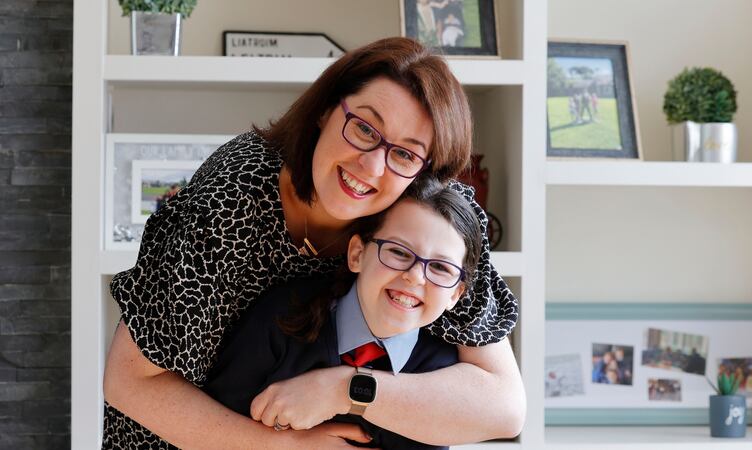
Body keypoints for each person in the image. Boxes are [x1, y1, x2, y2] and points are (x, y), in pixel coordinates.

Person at [103, 37, 524, 448]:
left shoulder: (426, 216)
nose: (373, 165)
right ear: (326, 110)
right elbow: (129, 382)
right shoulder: (229, 202)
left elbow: (503, 406)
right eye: (363, 128)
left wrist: (347, 389)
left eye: (405, 154)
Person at [204, 181, 482, 449]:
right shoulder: (282, 316)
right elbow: (211, 428)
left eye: (441, 268)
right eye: (398, 252)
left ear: (456, 294)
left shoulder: (440, 373)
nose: (414, 277)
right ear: (357, 254)